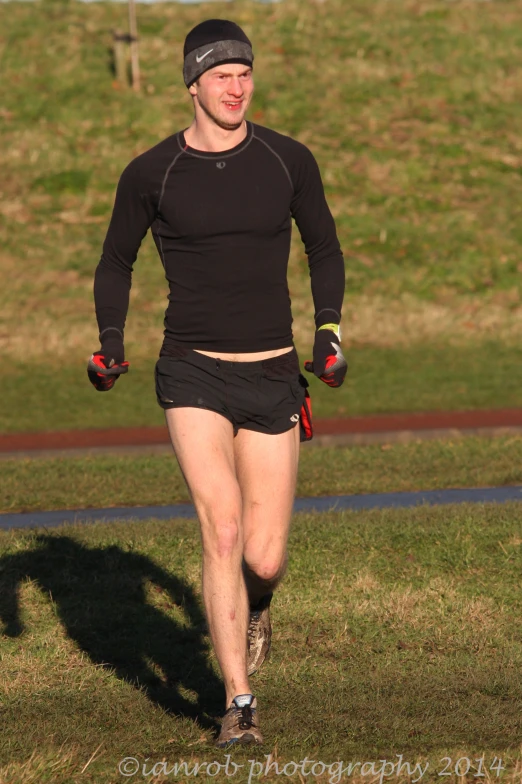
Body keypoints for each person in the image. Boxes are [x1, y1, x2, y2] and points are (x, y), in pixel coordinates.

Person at [87, 18, 347, 747]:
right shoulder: (152, 173)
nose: (236, 86)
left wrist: (328, 332)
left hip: (271, 372)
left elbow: (323, 247)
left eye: (245, 73)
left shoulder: (287, 160)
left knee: (262, 555)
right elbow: (116, 262)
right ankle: (238, 703)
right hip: (191, 371)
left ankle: (257, 601)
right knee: (222, 528)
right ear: (192, 84)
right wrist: (111, 345)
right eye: (221, 74)